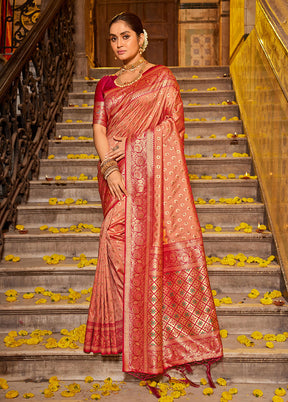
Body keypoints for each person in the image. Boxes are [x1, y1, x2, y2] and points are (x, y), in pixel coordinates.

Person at [84, 11, 223, 387]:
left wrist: (135, 147)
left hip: (149, 177)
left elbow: (173, 131)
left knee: (131, 243)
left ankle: (154, 324)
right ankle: (139, 322)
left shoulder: (161, 79)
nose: (118, 44)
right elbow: (99, 127)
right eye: (113, 38)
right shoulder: (106, 84)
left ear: (141, 38)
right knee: (114, 239)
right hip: (117, 176)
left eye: (125, 36)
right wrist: (109, 165)